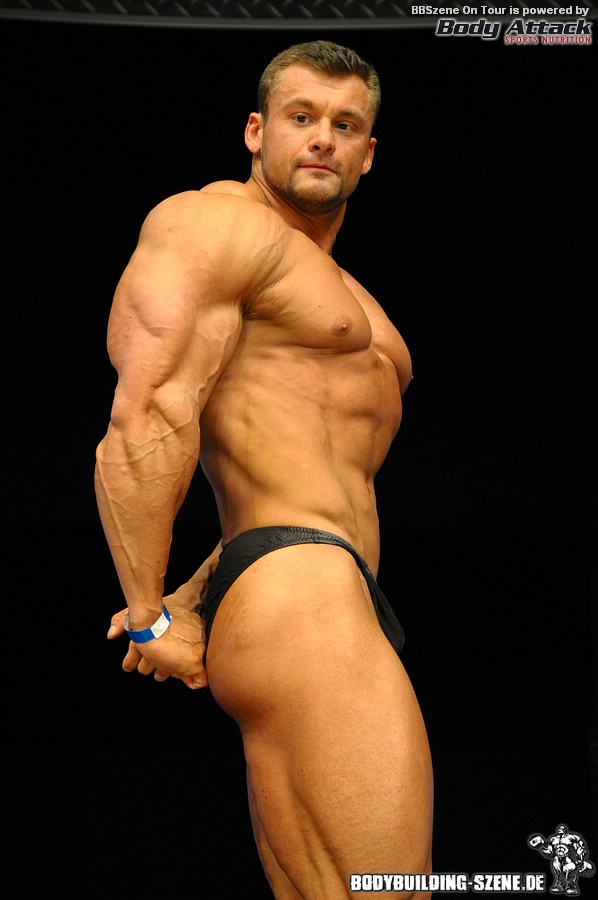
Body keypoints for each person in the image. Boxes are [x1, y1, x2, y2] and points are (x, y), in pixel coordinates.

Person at [95, 39, 434, 898]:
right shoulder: (214, 225)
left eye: (345, 125)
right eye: (301, 116)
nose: (323, 137)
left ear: (368, 153)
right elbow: (149, 411)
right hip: (304, 596)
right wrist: (146, 616)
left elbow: (299, 473)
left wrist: (194, 591)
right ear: (256, 131)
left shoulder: (349, 296)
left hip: (304, 584)